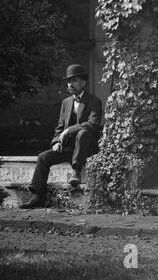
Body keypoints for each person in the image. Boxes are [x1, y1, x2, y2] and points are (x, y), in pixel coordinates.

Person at [23, 64, 103, 208]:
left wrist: (69, 130)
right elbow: (60, 127)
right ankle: (37, 195)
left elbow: (92, 124)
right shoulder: (66, 102)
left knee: (83, 132)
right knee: (43, 157)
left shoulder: (94, 101)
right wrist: (56, 142)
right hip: (67, 149)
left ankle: (76, 172)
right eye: (69, 81)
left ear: (83, 82)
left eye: (74, 80)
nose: (70, 84)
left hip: (85, 149)